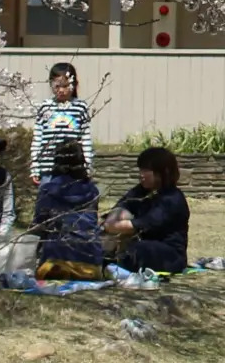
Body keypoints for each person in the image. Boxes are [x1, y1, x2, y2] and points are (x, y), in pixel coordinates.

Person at [107, 145, 191, 274]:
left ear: (164, 172)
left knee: (138, 250)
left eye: (146, 170)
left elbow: (140, 225)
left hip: (169, 254)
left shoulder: (172, 199)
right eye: (140, 169)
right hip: (139, 244)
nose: (141, 175)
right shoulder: (140, 191)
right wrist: (113, 218)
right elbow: (122, 206)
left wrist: (109, 227)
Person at [31, 138, 105, 281]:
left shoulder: (48, 190)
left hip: (55, 265)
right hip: (91, 266)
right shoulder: (93, 191)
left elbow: (38, 226)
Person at [31, 62, 94, 187]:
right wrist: (35, 166)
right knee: (48, 200)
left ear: (74, 85)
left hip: (74, 167)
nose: (61, 90)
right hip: (48, 167)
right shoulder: (45, 106)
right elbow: (38, 138)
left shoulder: (80, 107)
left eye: (65, 86)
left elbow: (85, 138)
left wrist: (88, 165)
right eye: (56, 86)